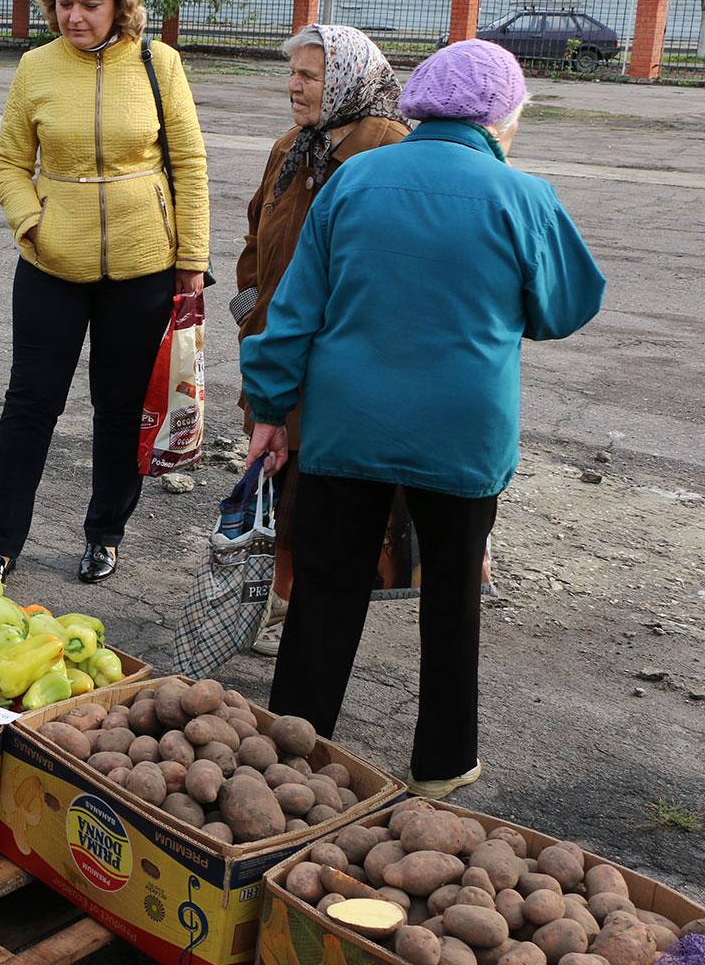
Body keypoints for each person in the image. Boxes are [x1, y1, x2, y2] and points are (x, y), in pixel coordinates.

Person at [242, 39, 605, 799]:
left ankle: (291, 756)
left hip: (348, 427)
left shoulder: (355, 179)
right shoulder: (523, 196)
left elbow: (292, 313)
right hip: (463, 435)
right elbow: (565, 308)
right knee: (452, 591)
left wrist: (270, 410)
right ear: (500, 118)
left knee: (326, 588)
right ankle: (441, 764)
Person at [0, 0, 209, 585]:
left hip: (143, 265)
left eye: (88, 4)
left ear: (121, 4)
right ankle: (0, 543)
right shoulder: (36, 67)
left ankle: (106, 534)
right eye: (63, 3)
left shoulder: (160, 64)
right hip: (50, 265)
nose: (72, 16)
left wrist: (192, 258)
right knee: (30, 403)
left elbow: (190, 163)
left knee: (121, 408)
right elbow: (8, 161)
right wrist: (31, 222)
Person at [234, 23, 409, 655]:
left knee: (321, 495)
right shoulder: (292, 147)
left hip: (338, 364)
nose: (294, 86)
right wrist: (250, 305)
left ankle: (308, 613)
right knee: (278, 485)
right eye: (292, 73)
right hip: (277, 350)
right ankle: (279, 602)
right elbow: (257, 236)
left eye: (310, 76)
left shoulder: (389, 151)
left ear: (348, 83)